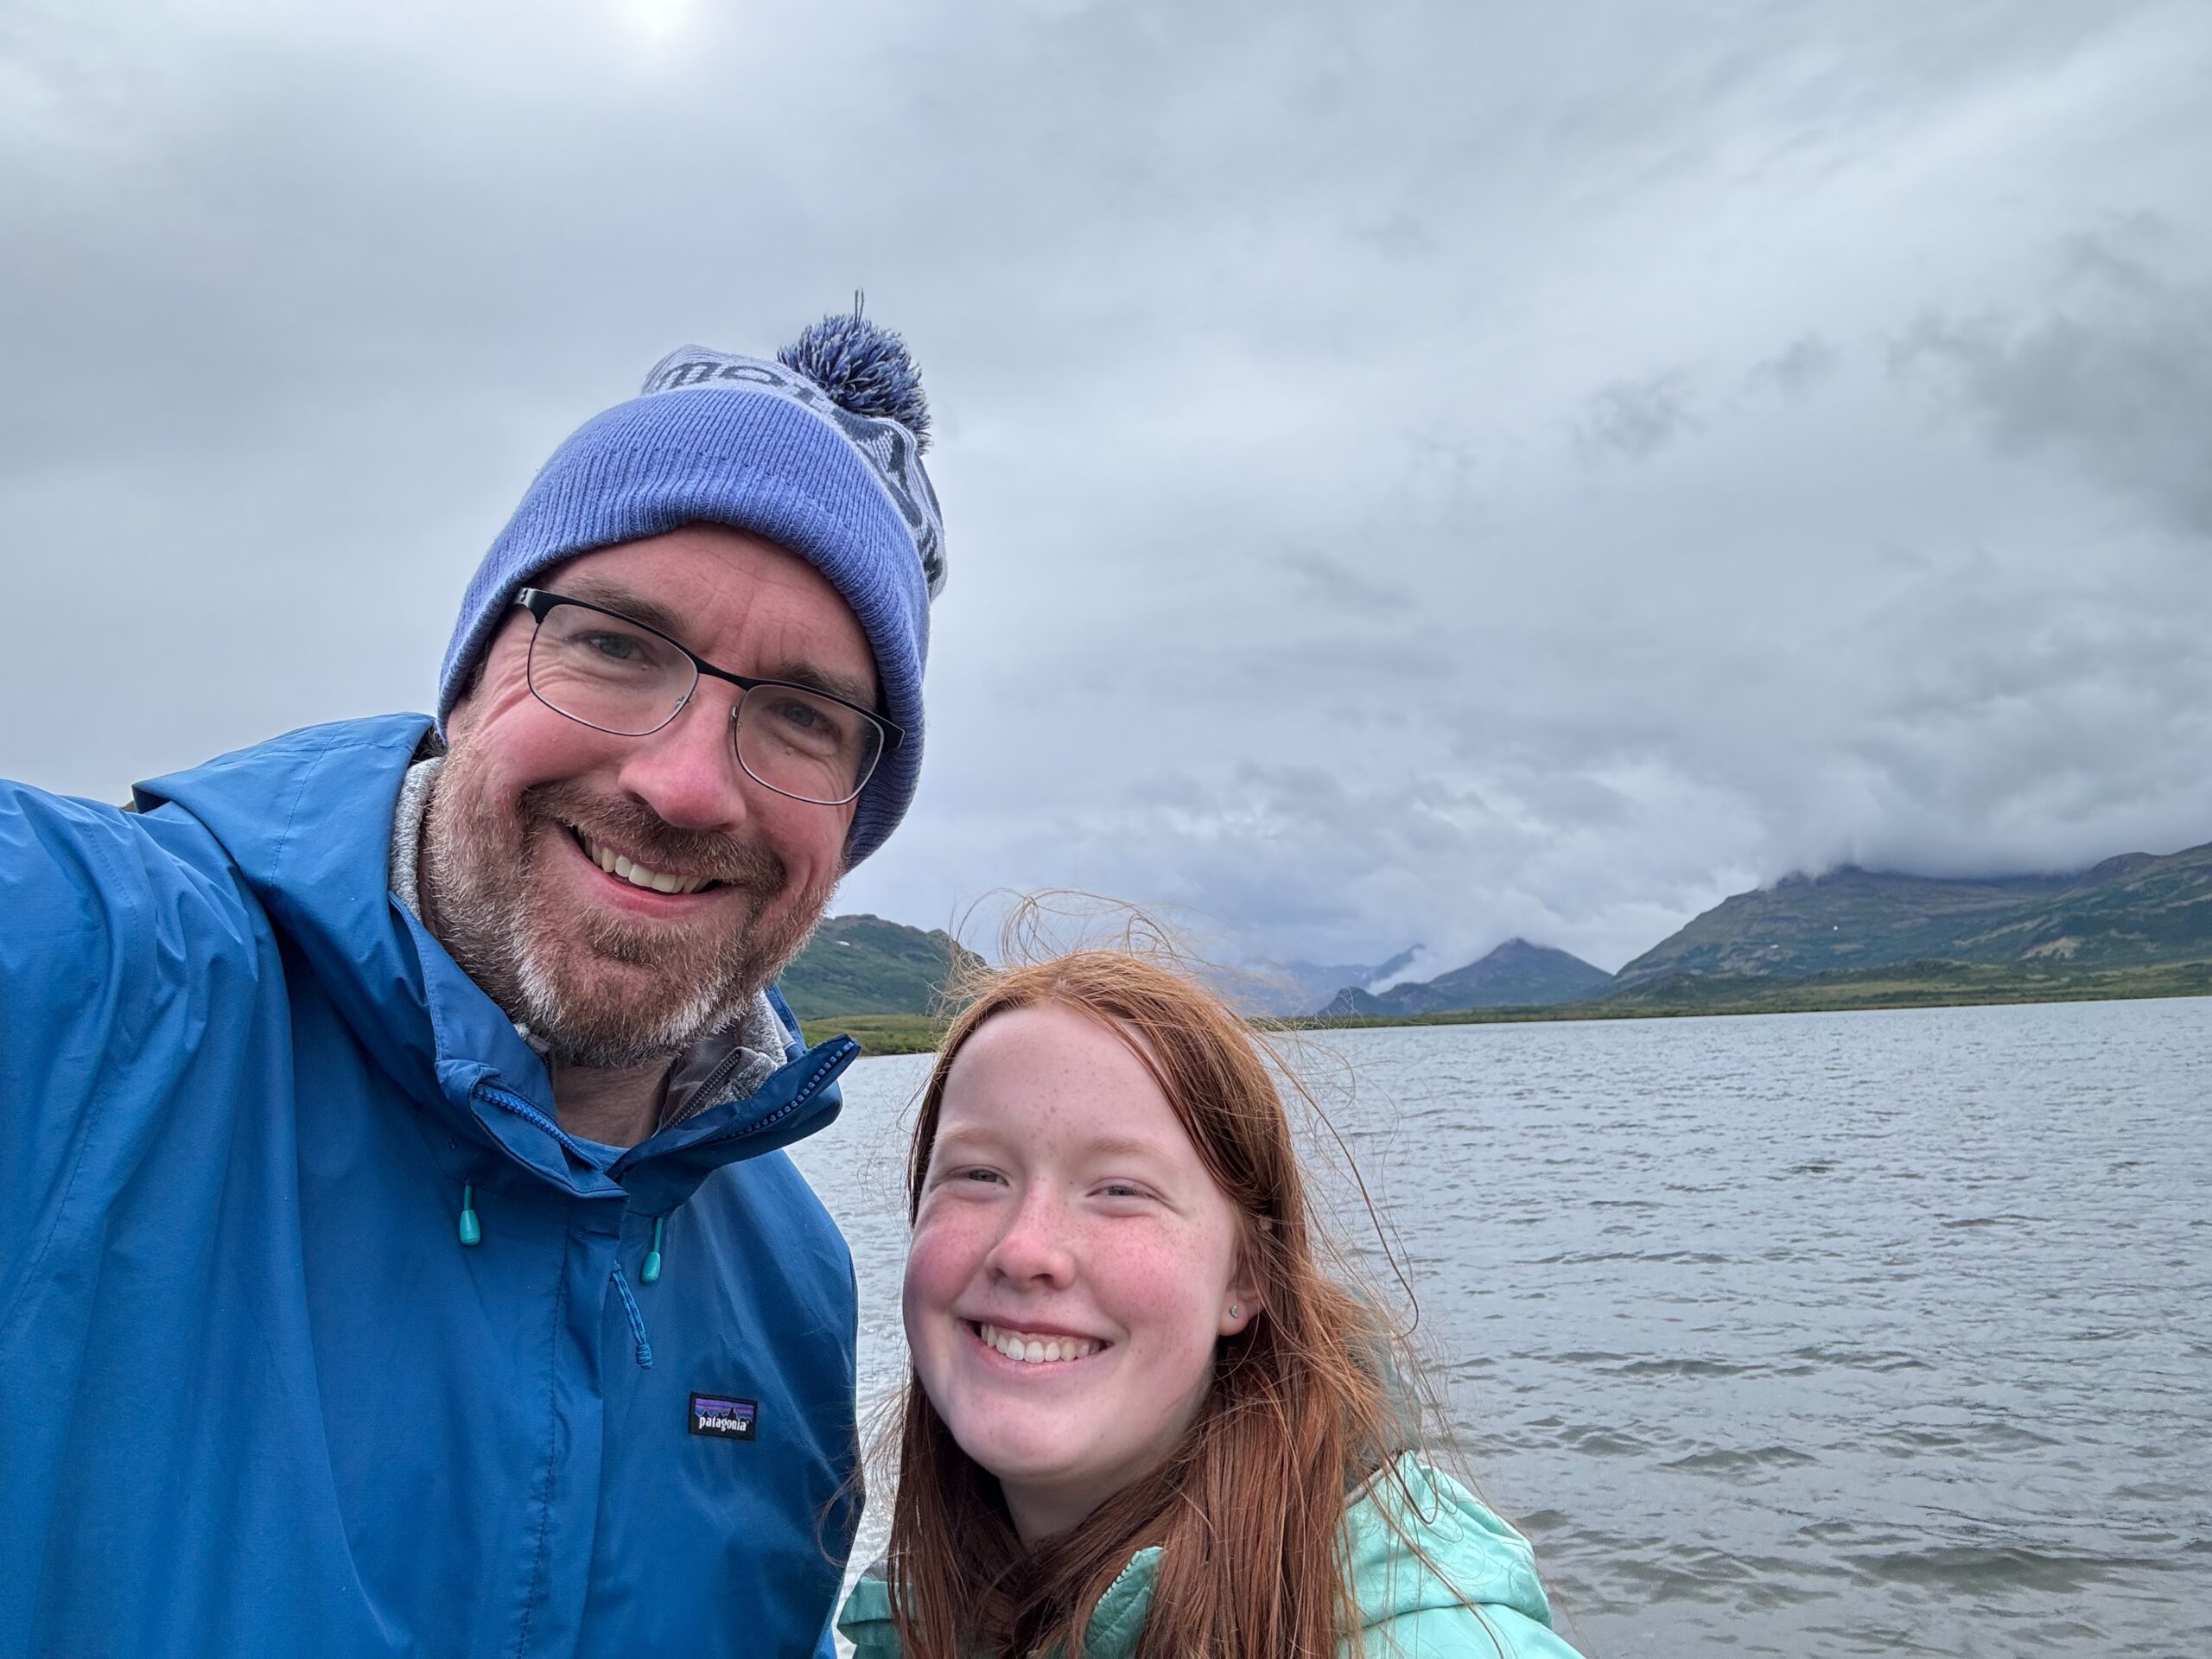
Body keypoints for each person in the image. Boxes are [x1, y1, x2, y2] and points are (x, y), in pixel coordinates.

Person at [0, 311, 945, 1657]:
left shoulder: (792, 1292)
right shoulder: (92, 986)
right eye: (617, 643)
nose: (682, 783)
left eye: (803, 714)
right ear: (472, 674)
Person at [838, 949, 1586, 1658]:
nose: (1025, 1249)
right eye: (976, 1175)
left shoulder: (1421, 1631)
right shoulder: (913, 1608)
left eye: (1120, 1190)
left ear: (1247, 1278)